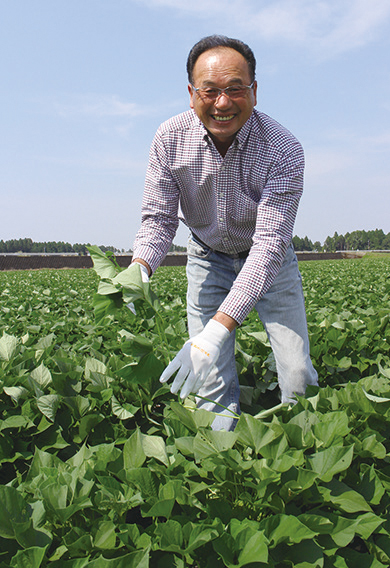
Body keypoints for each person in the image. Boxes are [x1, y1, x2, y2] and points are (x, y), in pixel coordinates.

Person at [131, 35, 318, 430]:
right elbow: (159, 219)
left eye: (235, 89)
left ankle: (299, 458)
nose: (222, 103)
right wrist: (140, 267)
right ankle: (220, 465)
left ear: (254, 90)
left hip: (269, 262)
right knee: (209, 382)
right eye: (210, 90)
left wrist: (218, 329)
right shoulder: (169, 138)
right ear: (191, 93)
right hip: (206, 256)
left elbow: (268, 247)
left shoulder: (283, 148)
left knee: (298, 376)